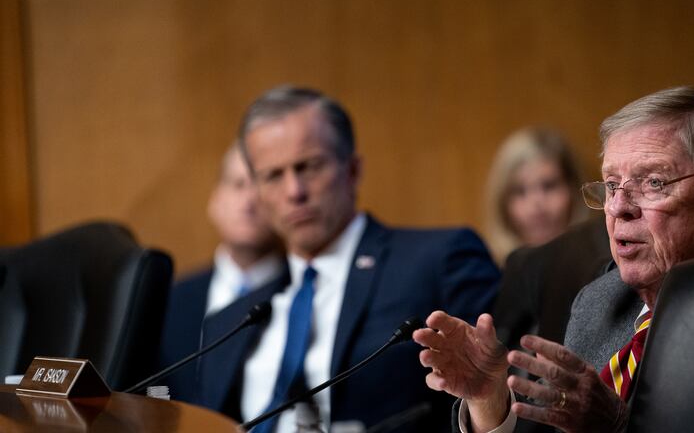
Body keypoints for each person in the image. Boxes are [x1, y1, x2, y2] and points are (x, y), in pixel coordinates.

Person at [413, 86, 694, 433]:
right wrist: (490, 399)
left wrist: (618, 427)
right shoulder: (600, 300)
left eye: (654, 182)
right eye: (611, 185)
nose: (618, 208)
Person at [196, 86, 500, 432]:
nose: (294, 191)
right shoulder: (228, 324)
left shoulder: (437, 261)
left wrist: (487, 405)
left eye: (308, 167)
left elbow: (505, 394)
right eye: (273, 176)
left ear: (353, 170)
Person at [158, 143, 286, 402]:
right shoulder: (169, 301)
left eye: (261, 186)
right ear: (215, 201)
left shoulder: (308, 297)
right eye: (238, 184)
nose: (249, 201)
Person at [484, 128, 587, 265]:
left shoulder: (606, 270)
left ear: (575, 190)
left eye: (549, 186)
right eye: (519, 191)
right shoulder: (492, 278)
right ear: (502, 203)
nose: (536, 203)